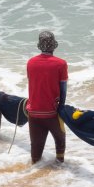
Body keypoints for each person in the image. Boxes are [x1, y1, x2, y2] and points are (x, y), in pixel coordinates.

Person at [26, 30, 68, 163]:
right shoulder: (61, 64)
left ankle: (34, 174)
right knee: (60, 140)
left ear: (40, 46)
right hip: (51, 114)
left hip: (33, 113)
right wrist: (60, 109)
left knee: (35, 151)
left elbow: (33, 84)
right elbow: (63, 91)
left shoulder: (30, 63)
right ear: (53, 46)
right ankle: (60, 167)